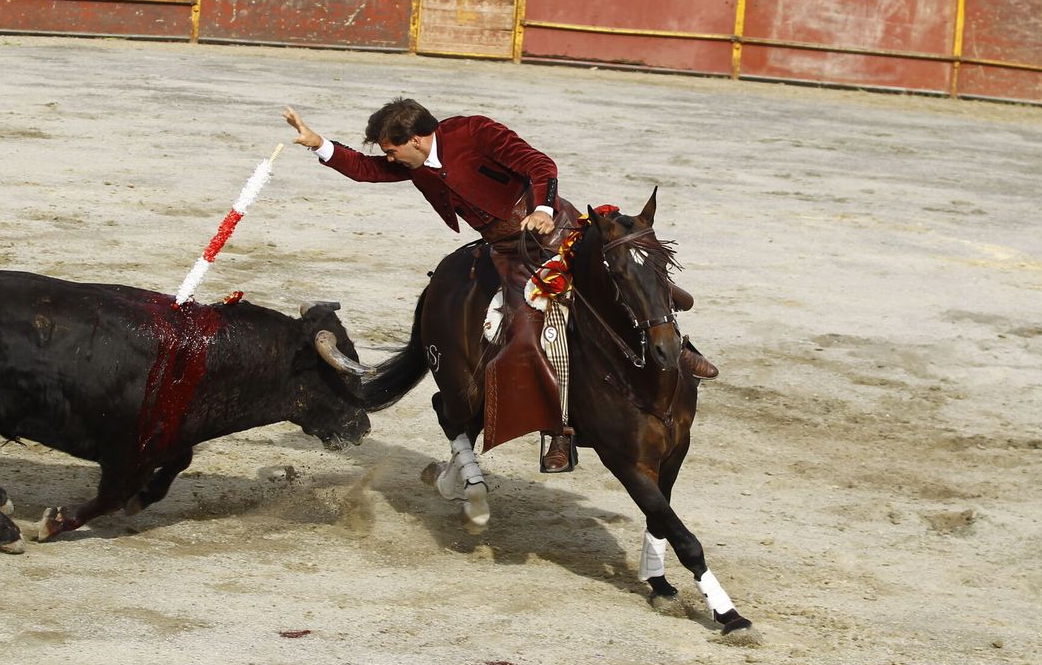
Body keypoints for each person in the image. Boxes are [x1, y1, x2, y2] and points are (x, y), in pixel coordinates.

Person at [284, 101, 718, 475]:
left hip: (557, 227)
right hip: (508, 251)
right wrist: (319, 143)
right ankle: (559, 429)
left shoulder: (474, 131)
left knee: (640, 280)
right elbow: (367, 171)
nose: (390, 160)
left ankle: (681, 350)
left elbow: (538, 164)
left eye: (393, 150)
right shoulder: (414, 163)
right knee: (528, 330)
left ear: (417, 139)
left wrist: (544, 208)